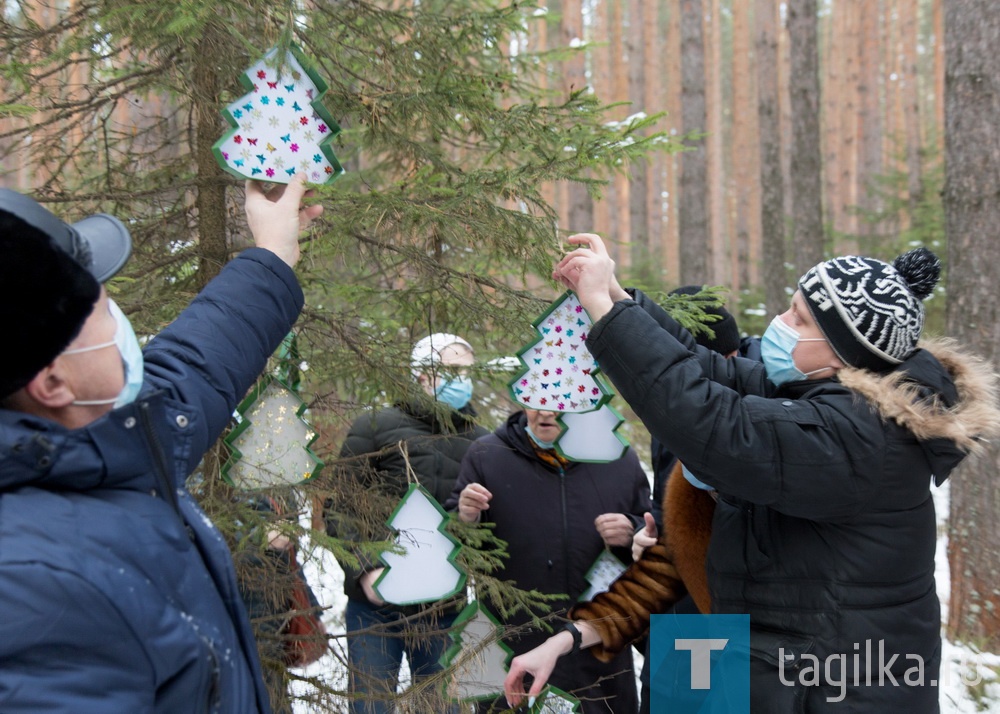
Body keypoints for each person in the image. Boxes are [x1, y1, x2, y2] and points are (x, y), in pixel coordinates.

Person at [505, 234, 1000, 712]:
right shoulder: (830, 397)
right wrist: (617, 299)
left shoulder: (856, 438)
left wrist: (606, 315)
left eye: (799, 318)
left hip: (839, 688)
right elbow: (711, 371)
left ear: (841, 353)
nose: (779, 324)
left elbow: (712, 421)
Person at [0, 178, 322, 712]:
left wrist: (272, 254)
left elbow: (191, 369)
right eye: (101, 307)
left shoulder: (93, 437)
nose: (117, 317)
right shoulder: (31, 590)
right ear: (52, 381)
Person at [446, 406, 651, 713]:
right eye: (537, 401)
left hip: (598, 656)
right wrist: (467, 517)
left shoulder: (618, 459)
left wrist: (631, 530)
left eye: (561, 404)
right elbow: (457, 552)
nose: (546, 413)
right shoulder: (487, 456)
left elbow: (652, 544)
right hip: (517, 648)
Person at [324, 333, 489, 714]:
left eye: (465, 370)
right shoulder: (376, 426)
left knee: (441, 707)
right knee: (370, 705)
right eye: (449, 369)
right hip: (375, 605)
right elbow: (339, 508)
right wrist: (364, 572)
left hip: (443, 608)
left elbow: (490, 529)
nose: (460, 378)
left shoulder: (483, 443)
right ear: (421, 375)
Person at [628, 285, 746, 714]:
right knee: (670, 701)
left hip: (726, 612)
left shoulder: (755, 415)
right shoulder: (672, 414)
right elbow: (673, 505)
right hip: (675, 608)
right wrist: (650, 539)